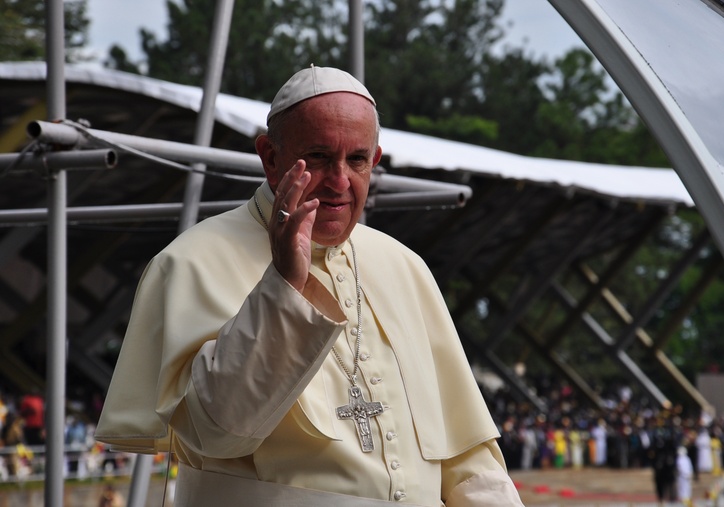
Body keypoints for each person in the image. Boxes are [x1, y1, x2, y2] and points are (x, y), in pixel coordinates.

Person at [95, 65, 524, 506]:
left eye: (356, 159)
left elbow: (467, 458)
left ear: (374, 161)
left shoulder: (404, 266)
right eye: (318, 157)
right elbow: (217, 432)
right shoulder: (190, 263)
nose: (340, 181)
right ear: (271, 157)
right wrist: (283, 286)